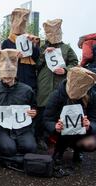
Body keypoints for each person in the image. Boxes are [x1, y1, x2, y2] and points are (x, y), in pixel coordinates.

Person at [0, 49, 37, 164]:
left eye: (9, 78)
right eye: (5, 77)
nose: (7, 80)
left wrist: (34, 112)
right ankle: (11, 156)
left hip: (22, 128)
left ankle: (10, 159)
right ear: (0, 74)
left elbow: (34, 107)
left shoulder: (27, 90)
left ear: (15, 73)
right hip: (1, 128)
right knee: (8, 148)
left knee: (30, 147)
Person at [43, 67, 96, 164]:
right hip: (61, 133)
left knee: (91, 143)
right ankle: (59, 151)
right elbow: (47, 119)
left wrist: (89, 126)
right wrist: (55, 127)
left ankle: (78, 151)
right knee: (65, 131)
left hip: (81, 132)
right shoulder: (57, 95)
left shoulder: (92, 95)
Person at [36, 19, 79, 149]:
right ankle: (40, 137)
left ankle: (55, 137)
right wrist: (43, 55)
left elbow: (75, 63)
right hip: (44, 84)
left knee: (57, 109)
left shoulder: (67, 48)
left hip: (60, 83)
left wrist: (65, 70)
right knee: (42, 109)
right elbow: (36, 64)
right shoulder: (42, 48)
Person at [1, 8, 40, 92]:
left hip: (30, 79)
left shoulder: (30, 39)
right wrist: (14, 56)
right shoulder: (6, 42)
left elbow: (37, 58)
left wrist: (35, 44)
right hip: (13, 80)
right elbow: (3, 62)